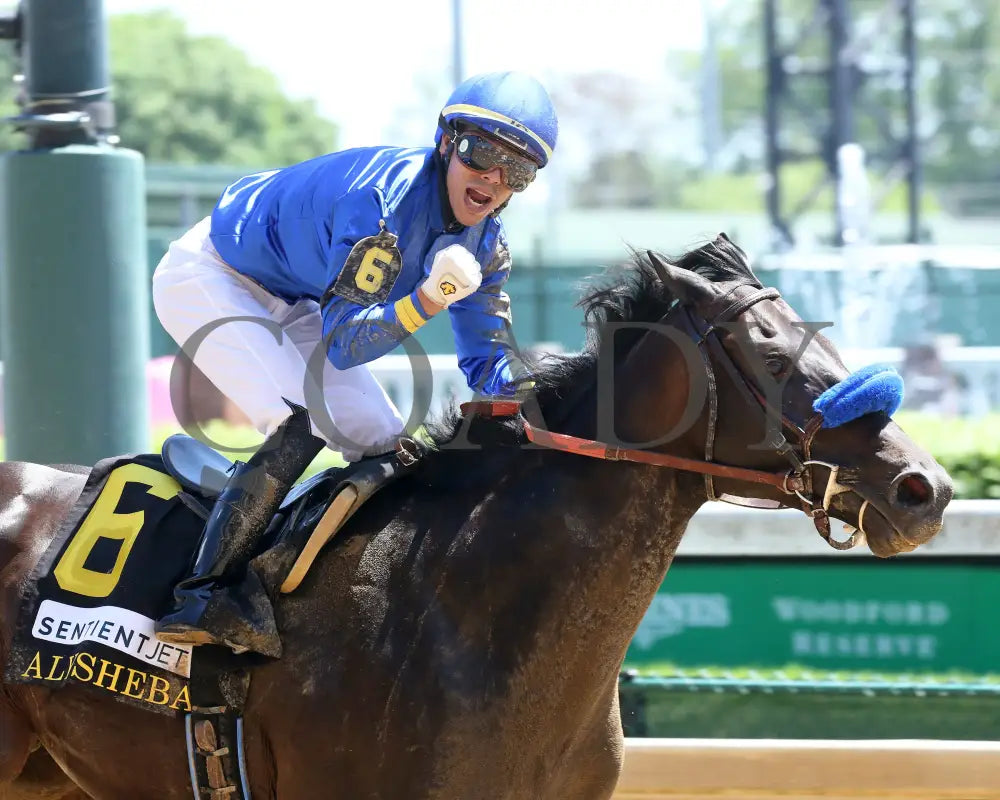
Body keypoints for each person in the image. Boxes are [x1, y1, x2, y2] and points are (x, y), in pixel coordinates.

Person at [151, 71, 559, 647]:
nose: (493, 179)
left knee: (385, 442)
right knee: (298, 421)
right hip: (213, 273)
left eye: (516, 171)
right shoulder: (382, 204)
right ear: (447, 142)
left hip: (298, 297)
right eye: (482, 153)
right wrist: (425, 302)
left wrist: (547, 412)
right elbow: (345, 344)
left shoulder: (487, 247)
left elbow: (490, 363)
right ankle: (203, 597)